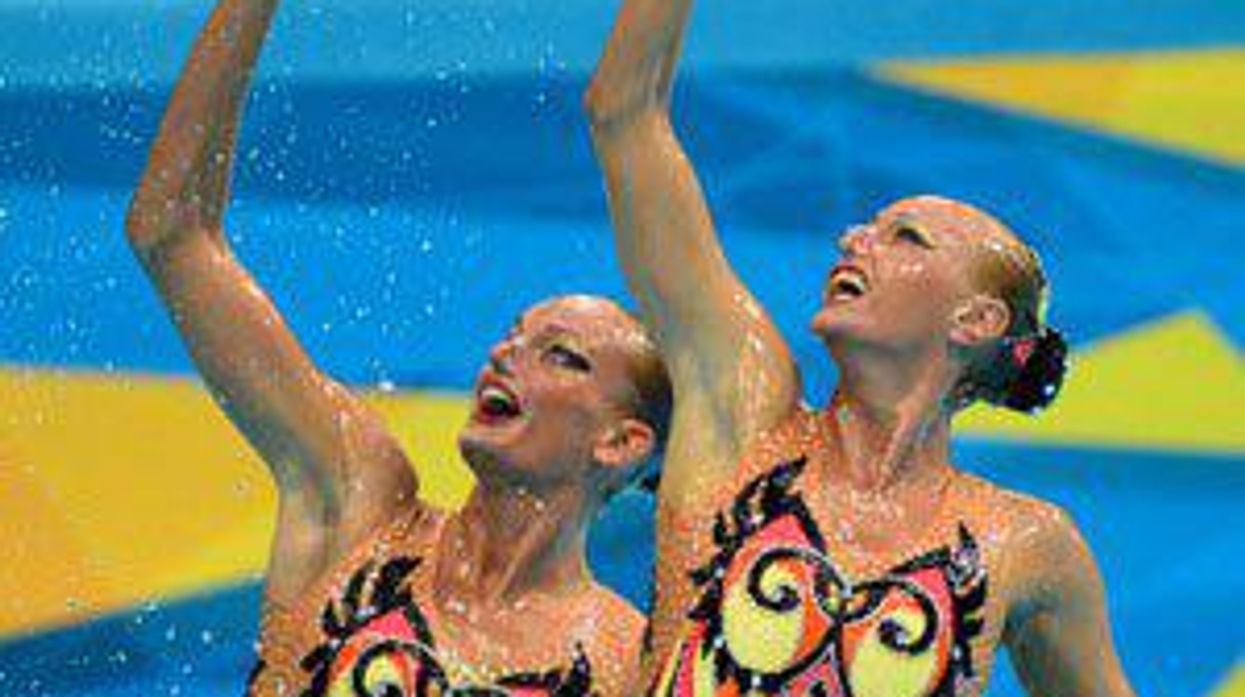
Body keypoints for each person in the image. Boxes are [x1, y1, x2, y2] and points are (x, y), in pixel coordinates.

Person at [584, 1, 1136, 695]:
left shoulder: (1023, 544)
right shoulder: (742, 416)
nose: (851, 237)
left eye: (903, 236)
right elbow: (623, 114)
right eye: (866, 228)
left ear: (975, 320)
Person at [125, 1, 671, 694]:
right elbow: (171, 232)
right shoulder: (356, 508)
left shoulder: (626, 660)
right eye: (511, 335)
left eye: (559, 354)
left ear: (620, 442)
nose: (504, 355)